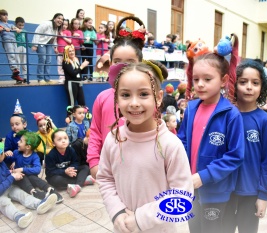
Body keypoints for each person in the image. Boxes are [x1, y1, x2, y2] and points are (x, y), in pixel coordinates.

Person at [97, 61, 193, 233]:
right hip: (123, 227)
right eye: (125, 95)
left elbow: (183, 197)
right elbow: (105, 179)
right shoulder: (113, 139)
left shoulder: (171, 145)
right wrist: (117, 212)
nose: (134, 103)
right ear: (116, 98)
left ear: (158, 97)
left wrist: (141, 219)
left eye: (143, 94)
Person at [177, 34, 245, 233]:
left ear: (223, 80)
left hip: (215, 191)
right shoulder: (190, 109)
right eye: (196, 79)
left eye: (207, 79)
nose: (200, 84)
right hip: (190, 188)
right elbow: (182, 141)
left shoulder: (231, 114)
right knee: (194, 229)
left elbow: (235, 156)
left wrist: (204, 176)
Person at [87, 16, 146, 179]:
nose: (122, 66)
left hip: (140, 169)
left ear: (140, 64)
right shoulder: (102, 98)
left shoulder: (148, 99)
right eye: (117, 61)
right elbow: (95, 132)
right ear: (110, 64)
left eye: (130, 61)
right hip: (110, 168)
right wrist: (93, 162)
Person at [223, 59, 267, 233]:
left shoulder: (265, 121)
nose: (249, 87)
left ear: (262, 87)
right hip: (224, 191)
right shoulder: (225, 117)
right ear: (234, 84)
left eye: (255, 83)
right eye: (243, 82)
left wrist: (263, 195)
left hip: (251, 192)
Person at [0, 141, 58, 229]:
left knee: (22, 194)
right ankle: (18, 217)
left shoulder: (1, 163)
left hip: (8, 186)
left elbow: (4, 173)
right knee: (5, 204)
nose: (4, 154)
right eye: (2, 153)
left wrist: (11, 173)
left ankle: (39, 204)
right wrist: (12, 177)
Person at [4, 130, 63, 203]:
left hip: (32, 178)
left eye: (21, 141)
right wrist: (5, 155)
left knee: (33, 178)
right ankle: (34, 192)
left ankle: (50, 189)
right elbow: (7, 159)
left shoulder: (35, 156)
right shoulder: (16, 152)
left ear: (28, 146)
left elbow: (37, 169)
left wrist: (22, 169)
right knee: (22, 177)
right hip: (20, 179)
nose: (18, 142)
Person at [45, 129, 94, 198]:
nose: (63, 141)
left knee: (85, 167)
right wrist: (64, 171)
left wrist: (72, 169)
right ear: (53, 143)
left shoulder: (71, 150)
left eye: (65, 138)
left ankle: (77, 186)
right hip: (59, 175)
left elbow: (75, 162)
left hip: (70, 173)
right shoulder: (51, 155)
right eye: (59, 139)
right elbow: (50, 171)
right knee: (55, 180)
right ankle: (82, 181)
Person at [32, 13, 64, 84]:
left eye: (62, 19)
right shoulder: (46, 24)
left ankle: (47, 78)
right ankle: (40, 78)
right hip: (41, 43)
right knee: (42, 59)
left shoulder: (57, 28)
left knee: (48, 60)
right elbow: (37, 32)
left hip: (49, 44)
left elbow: (54, 39)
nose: (60, 20)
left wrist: (55, 47)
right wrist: (35, 45)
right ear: (54, 19)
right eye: (59, 18)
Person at [0, 9, 24, 84]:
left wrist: (17, 29)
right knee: (11, 55)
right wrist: (4, 29)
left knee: (16, 56)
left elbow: (16, 28)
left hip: (14, 41)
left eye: (6, 15)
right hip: (7, 40)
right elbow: (0, 28)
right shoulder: (1, 24)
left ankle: (16, 74)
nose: (6, 16)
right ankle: (14, 69)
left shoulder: (10, 25)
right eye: (3, 15)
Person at [14, 17, 30, 83]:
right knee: (17, 62)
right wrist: (16, 31)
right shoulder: (14, 30)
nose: (21, 27)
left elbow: (27, 40)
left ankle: (25, 77)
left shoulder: (25, 31)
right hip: (17, 47)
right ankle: (18, 78)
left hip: (24, 48)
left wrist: (31, 46)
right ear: (16, 24)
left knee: (24, 62)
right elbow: (13, 37)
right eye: (19, 25)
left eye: (22, 25)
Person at [57, 19, 72, 84]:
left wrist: (63, 36)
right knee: (59, 65)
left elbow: (70, 41)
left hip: (66, 51)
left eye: (66, 25)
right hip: (59, 51)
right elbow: (55, 40)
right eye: (63, 24)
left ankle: (67, 77)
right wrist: (55, 48)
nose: (64, 26)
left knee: (66, 65)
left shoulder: (68, 32)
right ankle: (61, 78)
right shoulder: (58, 32)